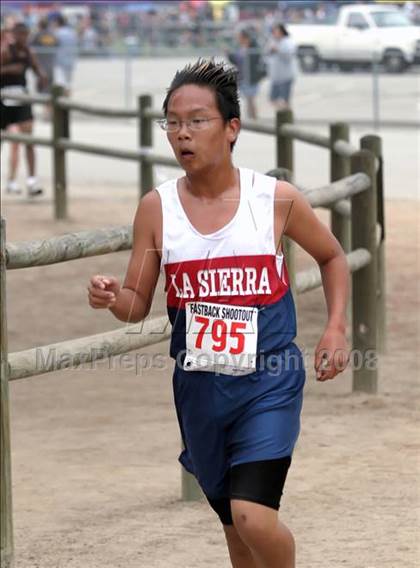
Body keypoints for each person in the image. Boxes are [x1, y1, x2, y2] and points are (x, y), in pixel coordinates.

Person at [87, 59, 349, 568]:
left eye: (197, 120)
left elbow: (333, 256)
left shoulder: (274, 200)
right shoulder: (156, 209)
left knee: (254, 516)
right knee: (235, 530)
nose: (182, 134)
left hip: (269, 380)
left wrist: (335, 326)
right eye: (173, 122)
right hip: (200, 390)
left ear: (232, 128)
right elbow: (136, 304)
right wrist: (110, 295)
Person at [0, 22, 47, 196]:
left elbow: (38, 70)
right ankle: (10, 180)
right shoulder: (5, 52)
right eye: (20, 35)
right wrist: (9, 70)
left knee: (29, 140)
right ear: (14, 35)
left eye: (26, 35)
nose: (23, 38)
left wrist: (42, 77)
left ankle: (32, 180)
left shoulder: (28, 52)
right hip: (4, 100)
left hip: (21, 100)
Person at [227, 29, 265, 120]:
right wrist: (229, 54)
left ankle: (254, 118)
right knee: (248, 100)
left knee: (250, 99)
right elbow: (237, 61)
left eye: (239, 37)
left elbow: (255, 62)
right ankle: (252, 118)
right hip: (243, 77)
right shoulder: (240, 47)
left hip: (251, 77)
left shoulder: (253, 47)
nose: (238, 39)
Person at [266, 23, 297, 111]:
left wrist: (278, 50)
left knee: (285, 100)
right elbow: (267, 54)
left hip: (286, 75)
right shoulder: (272, 41)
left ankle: (286, 115)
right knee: (273, 99)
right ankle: (282, 112)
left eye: (277, 31)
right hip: (275, 76)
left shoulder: (288, 42)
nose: (275, 33)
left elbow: (289, 56)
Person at [31, 18, 58, 119]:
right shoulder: (52, 35)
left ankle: (47, 112)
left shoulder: (37, 35)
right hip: (51, 66)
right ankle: (49, 111)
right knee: (49, 89)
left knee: (44, 90)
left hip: (41, 67)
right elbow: (57, 44)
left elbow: (29, 44)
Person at [53, 14, 77, 97]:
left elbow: (54, 44)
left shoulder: (57, 33)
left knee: (60, 83)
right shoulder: (72, 32)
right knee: (68, 83)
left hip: (60, 61)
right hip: (71, 60)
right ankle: (67, 102)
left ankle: (62, 103)